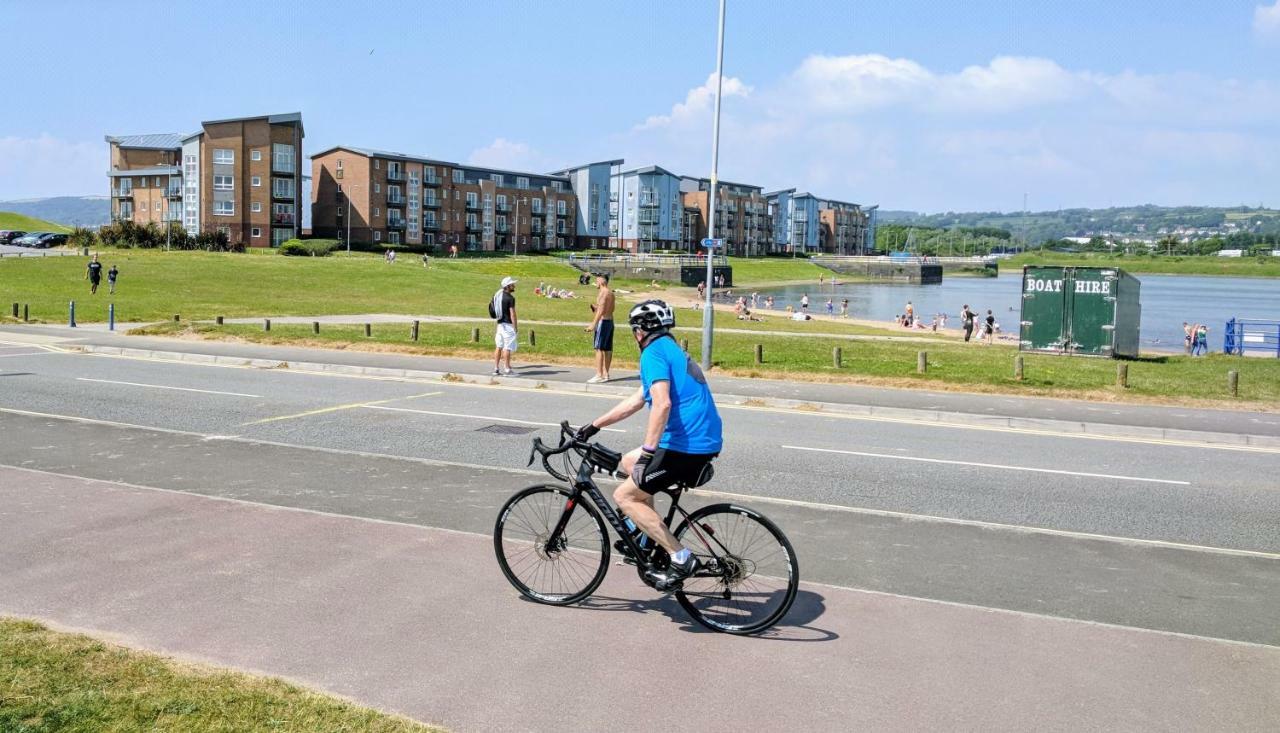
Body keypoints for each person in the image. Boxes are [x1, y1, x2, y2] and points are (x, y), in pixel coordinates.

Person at [574, 300, 723, 592]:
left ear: (640, 331)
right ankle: (648, 537)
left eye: (634, 330)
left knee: (624, 496)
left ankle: (680, 556)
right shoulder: (670, 349)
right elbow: (638, 399)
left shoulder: (652, 354)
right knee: (628, 464)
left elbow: (662, 404)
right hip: (702, 440)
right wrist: (594, 425)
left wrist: (648, 453)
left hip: (684, 446)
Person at [584, 273, 615, 383]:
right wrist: (596, 308)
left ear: (602, 281)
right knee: (607, 349)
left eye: (596, 281)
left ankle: (599, 374)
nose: (595, 283)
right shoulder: (610, 293)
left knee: (599, 348)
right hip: (610, 322)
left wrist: (593, 324)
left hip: (603, 322)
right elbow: (610, 309)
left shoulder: (603, 293)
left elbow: (601, 311)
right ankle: (606, 374)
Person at [491, 276, 518, 375]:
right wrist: (515, 327)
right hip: (508, 326)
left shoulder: (498, 295)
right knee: (507, 347)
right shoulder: (510, 298)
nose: (514, 285)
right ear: (508, 286)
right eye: (512, 284)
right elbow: (512, 314)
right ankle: (507, 368)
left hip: (500, 324)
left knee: (499, 346)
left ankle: (496, 368)